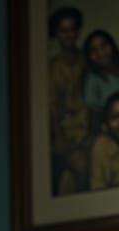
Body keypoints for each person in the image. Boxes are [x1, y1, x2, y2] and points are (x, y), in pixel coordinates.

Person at [47, 5, 92, 193]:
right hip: (65, 134)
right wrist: (60, 140)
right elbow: (52, 109)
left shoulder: (87, 60)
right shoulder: (52, 69)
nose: (68, 35)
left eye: (72, 30)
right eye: (63, 31)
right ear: (56, 34)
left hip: (88, 130)